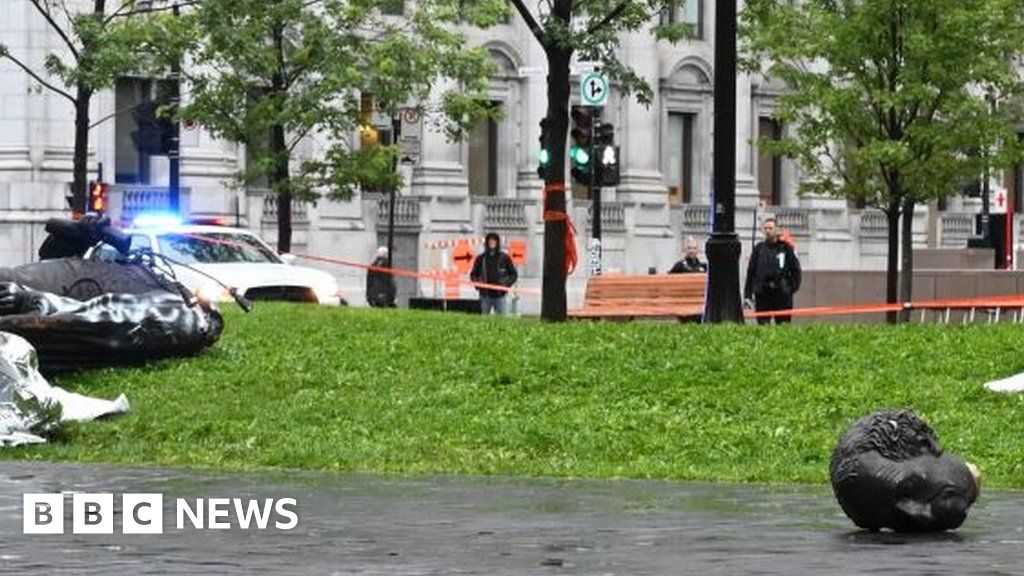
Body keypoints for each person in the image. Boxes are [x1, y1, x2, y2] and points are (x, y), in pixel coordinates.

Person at [744, 217, 801, 324]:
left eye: (770, 228)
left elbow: (796, 270)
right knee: (763, 326)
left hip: (782, 295)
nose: (767, 231)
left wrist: (790, 288)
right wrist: (748, 294)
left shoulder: (786, 248)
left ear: (777, 230)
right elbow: (751, 271)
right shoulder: (759, 249)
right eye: (765, 228)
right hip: (762, 294)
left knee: (783, 326)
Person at [470, 232, 518, 315]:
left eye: (494, 241)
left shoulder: (504, 258)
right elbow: (473, 275)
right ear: (487, 243)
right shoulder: (481, 258)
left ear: (497, 243)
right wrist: (478, 285)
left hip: (500, 295)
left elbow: (514, 274)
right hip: (485, 296)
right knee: (483, 320)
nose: (491, 243)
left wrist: (505, 284)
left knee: (502, 321)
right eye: (490, 241)